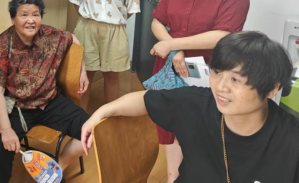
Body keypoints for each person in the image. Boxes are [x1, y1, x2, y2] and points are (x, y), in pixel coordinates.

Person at [82, 31, 299, 182]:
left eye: (236, 80)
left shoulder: (291, 140)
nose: (221, 87)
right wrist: (100, 113)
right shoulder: (196, 103)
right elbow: (144, 100)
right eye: (217, 72)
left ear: (271, 89)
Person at [148, 0, 250, 182]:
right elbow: (157, 22)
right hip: (171, 66)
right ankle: (172, 176)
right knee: (169, 125)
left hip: (208, 72)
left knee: (200, 128)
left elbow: (223, 35)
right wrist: (175, 52)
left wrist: (173, 45)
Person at [0, 0, 90, 183]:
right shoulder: (3, 44)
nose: (31, 20)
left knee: (90, 131)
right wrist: (6, 130)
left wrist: (82, 71)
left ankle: (55, 169)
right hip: (16, 107)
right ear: (13, 18)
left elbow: (74, 40)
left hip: (49, 101)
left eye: (36, 15)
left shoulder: (51, 35)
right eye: (24, 15)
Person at [69, 0, 140, 111]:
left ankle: (110, 117)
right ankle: (80, 118)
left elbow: (130, 9)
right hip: (87, 28)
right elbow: (76, 1)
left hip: (114, 31)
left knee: (111, 77)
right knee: (84, 74)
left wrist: (111, 20)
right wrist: (90, 19)